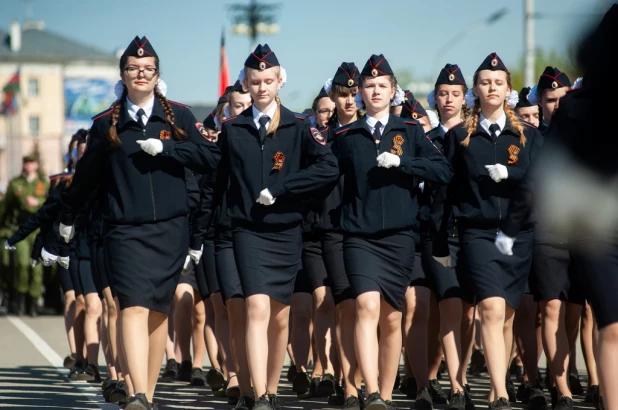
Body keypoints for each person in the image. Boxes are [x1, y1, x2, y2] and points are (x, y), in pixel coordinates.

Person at [56, 36, 221, 410]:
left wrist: (170, 148)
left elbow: (210, 156)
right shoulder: (104, 125)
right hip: (124, 231)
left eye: (147, 69)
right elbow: (85, 179)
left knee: (158, 312)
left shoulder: (179, 116)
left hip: (170, 230)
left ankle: (146, 390)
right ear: (123, 76)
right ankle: (138, 395)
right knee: (132, 307)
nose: (141, 74)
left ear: (157, 75)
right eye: (133, 68)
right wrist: (66, 218)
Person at [215, 44, 339, 410]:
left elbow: (327, 167)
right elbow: (217, 179)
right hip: (248, 230)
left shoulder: (300, 126)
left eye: (269, 80)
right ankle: (258, 394)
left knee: (280, 317)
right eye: (255, 82)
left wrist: (284, 187)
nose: (262, 87)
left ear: (279, 81)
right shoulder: (233, 128)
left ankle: (269, 388)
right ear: (246, 84)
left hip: (286, 231)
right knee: (256, 308)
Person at [333, 53, 452, 410]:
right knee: (366, 306)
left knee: (392, 317)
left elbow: (443, 170)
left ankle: (385, 395)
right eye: (368, 86)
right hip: (359, 237)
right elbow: (326, 176)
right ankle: (370, 392)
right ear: (360, 93)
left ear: (393, 91)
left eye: (381, 85)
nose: (374, 91)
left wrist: (405, 164)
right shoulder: (346, 135)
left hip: (400, 237)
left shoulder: (411, 132)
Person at [432, 52, 541, 410]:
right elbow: (445, 190)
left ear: (508, 89)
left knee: (506, 315)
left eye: (498, 82)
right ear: (474, 91)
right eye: (485, 82)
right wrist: (439, 239)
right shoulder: (461, 135)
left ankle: (497, 387)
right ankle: (502, 396)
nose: (491, 87)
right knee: (492, 309)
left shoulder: (528, 136)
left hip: (518, 235)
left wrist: (512, 174)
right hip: (477, 233)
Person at [1, 155, 48, 316]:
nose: (29, 166)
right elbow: (5, 208)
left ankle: (33, 303)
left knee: (36, 267)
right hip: (21, 228)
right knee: (22, 264)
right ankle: (20, 300)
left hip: (38, 229)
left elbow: (53, 203)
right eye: (27, 163)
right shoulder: (16, 184)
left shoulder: (44, 183)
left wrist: (39, 203)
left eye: (32, 163)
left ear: (36, 165)